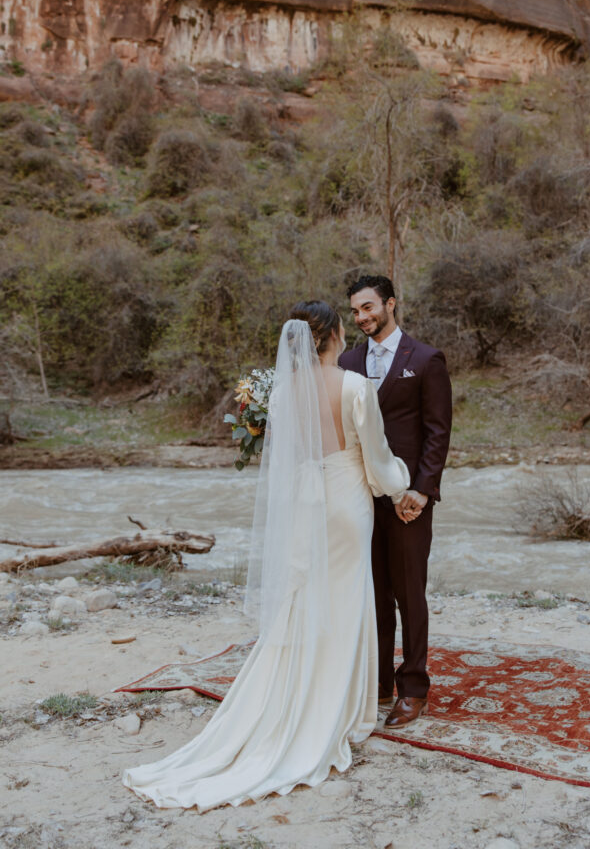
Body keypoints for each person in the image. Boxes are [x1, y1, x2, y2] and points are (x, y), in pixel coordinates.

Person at [122, 301, 409, 811]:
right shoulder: (354, 385)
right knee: (346, 599)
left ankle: (294, 698)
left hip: (303, 501)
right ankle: (341, 711)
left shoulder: (280, 394)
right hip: (345, 502)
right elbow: (378, 460)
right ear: (334, 336)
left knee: (305, 598)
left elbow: (291, 456)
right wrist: (402, 482)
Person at [339, 276, 452, 729]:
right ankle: (379, 680)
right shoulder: (347, 362)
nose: (363, 317)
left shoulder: (425, 360)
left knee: (409, 594)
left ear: (389, 303)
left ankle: (413, 688)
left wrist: (422, 491)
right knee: (374, 595)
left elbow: (437, 431)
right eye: (355, 312)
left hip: (408, 499)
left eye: (368, 308)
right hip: (361, 497)